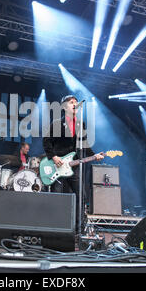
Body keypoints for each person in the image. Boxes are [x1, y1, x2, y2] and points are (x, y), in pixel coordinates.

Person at [43, 95, 104, 233]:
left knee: (80, 196)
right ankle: (54, 228)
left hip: (73, 164)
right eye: (71, 103)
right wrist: (53, 156)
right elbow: (46, 141)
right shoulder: (57, 123)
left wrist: (94, 155)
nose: (75, 104)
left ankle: (78, 228)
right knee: (57, 196)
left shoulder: (80, 124)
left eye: (76, 102)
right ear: (64, 107)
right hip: (57, 165)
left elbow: (84, 144)